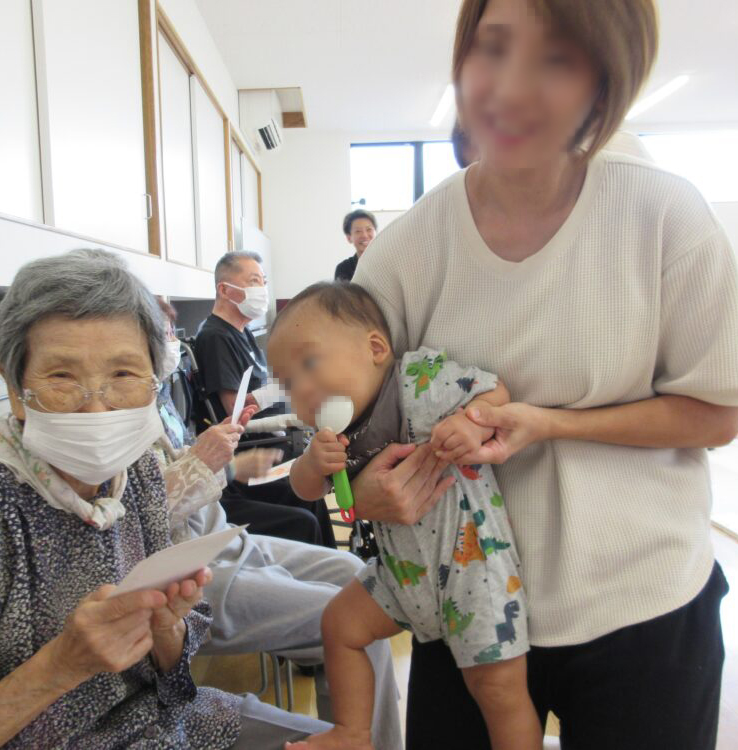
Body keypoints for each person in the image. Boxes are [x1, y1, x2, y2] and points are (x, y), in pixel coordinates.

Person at [347, 1, 738, 748]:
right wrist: (362, 490)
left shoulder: (666, 216)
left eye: (556, 60)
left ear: (606, 82)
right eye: (493, 49)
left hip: (645, 604)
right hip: (462, 608)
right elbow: (340, 416)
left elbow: (714, 413)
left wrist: (551, 423)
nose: (511, 86)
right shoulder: (409, 248)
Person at [0, 249, 331, 749]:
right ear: (15, 389)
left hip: (177, 725)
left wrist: (167, 631)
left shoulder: (136, 472)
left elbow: (176, 667)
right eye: (61, 377)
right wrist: (62, 665)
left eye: (123, 375)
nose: (96, 407)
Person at [268, 282, 540, 750]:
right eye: (289, 384)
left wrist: (469, 418)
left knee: (499, 690)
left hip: (473, 571)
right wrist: (313, 464)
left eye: (310, 364)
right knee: (340, 625)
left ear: (375, 348)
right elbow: (306, 490)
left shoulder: (419, 382)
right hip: (399, 575)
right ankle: (353, 732)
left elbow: (497, 392)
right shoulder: (332, 435)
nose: (304, 390)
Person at [149, 312, 404, 749]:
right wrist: (215, 464)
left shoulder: (156, 401)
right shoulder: (107, 429)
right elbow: (136, 517)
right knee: (360, 626)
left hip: (222, 535)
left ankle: (361, 726)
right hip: (195, 571)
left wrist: (221, 444)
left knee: (354, 571)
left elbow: (171, 469)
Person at [195, 251, 336, 548]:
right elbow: (236, 410)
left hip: (277, 437)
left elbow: (266, 391)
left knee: (315, 489)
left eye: (264, 281)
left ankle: (337, 571)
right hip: (253, 448)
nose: (262, 288)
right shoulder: (216, 337)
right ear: (225, 289)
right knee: (309, 487)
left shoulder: (242, 333)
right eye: (254, 281)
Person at [335, 210, 378, 282]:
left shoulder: (388, 263)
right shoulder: (343, 268)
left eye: (369, 229)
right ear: (349, 238)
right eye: (358, 231)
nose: (364, 235)